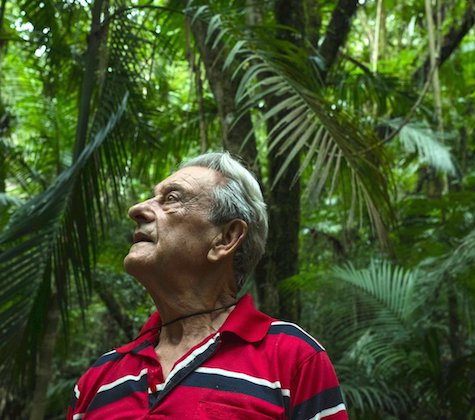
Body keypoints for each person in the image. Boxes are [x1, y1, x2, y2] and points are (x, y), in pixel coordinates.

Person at [67, 152, 347, 419]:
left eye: (171, 198)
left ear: (226, 238)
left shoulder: (293, 357)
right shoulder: (98, 379)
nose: (137, 209)